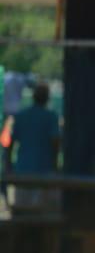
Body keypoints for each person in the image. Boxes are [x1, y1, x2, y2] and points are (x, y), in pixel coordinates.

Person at [8, 82, 61, 213]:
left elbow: (11, 143)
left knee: (22, 211)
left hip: (23, 170)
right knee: (44, 212)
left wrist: (8, 165)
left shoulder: (21, 116)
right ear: (48, 98)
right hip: (44, 172)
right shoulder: (51, 117)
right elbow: (55, 143)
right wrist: (55, 167)